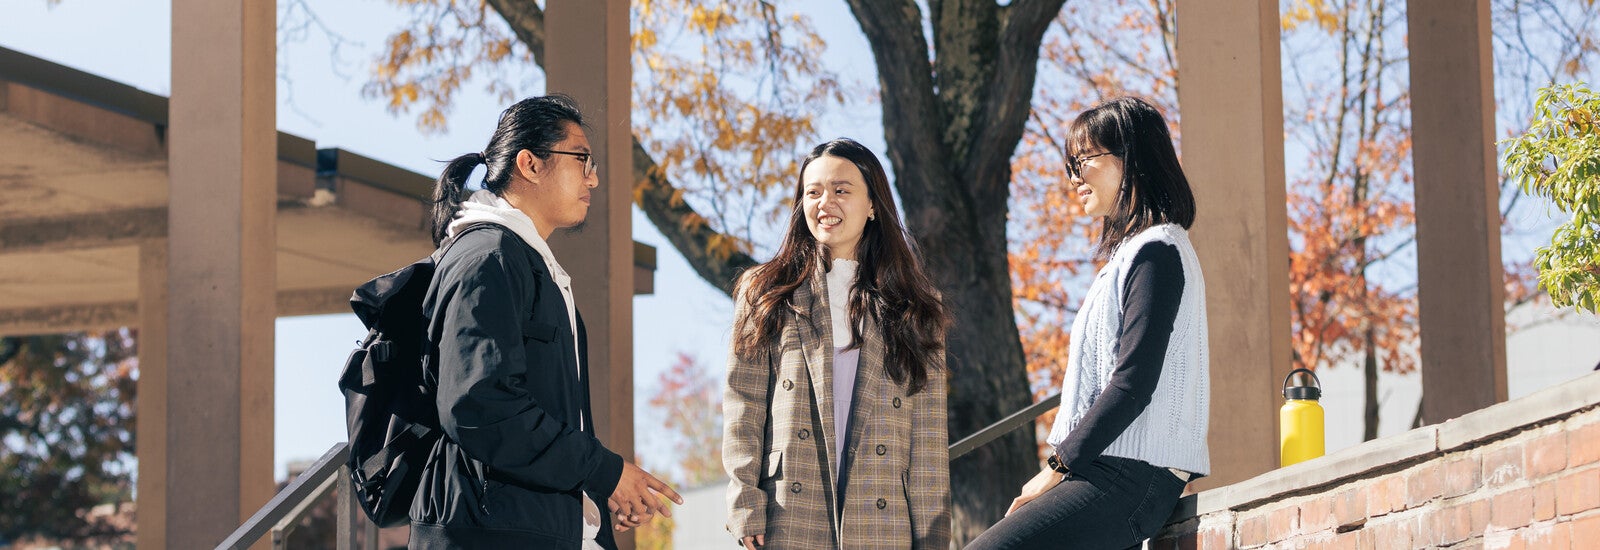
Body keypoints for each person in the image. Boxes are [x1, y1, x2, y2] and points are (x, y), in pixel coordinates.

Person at [412, 94, 681, 549]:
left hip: (533, 524)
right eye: (582, 160)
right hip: (491, 533)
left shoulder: (521, 260)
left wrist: (598, 489)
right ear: (530, 165)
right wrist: (604, 471)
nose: (593, 178)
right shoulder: (488, 258)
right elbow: (479, 405)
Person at [967, 96, 1210, 549]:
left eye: (1085, 160)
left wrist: (1055, 469)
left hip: (1130, 474)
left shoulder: (1158, 252)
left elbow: (1133, 382)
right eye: (1069, 164)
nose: (1074, 177)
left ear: (1133, 158)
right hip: (1106, 469)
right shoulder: (1128, 257)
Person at [723, 138, 952, 549]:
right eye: (813, 192)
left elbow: (929, 438)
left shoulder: (916, 306)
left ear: (872, 206)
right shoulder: (765, 291)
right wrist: (745, 502)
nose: (825, 202)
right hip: (789, 508)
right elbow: (743, 405)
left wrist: (933, 539)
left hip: (883, 512)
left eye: (841, 190)